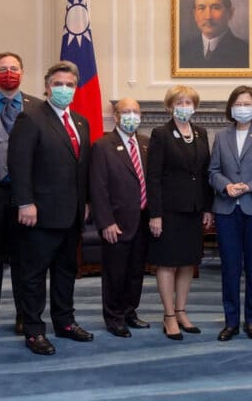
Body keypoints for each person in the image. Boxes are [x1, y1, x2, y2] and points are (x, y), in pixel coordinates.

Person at [8, 61, 93, 356]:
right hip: (39, 214)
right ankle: (34, 331)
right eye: (58, 84)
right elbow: (19, 165)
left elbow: (83, 168)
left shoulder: (81, 122)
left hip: (71, 214)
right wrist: (25, 202)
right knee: (33, 275)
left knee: (66, 272)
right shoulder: (30, 118)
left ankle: (65, 322)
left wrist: (86, 202)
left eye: (70, 85)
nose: (64, 89)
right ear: (46, 87)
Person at [0, 52, 43, 337]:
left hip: (25, 194)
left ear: (23, 72)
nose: (8, 72)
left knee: (23, 258)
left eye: (14, 68)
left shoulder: (38, 107)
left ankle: (24, 313)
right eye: (3, 69)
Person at [208, 86, 252, 341]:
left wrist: (249, 187)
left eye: (247, 103)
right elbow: (213, 171)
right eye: (238, 103)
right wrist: (225, 186)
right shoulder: (221, 136)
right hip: (227, 209)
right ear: (231, 107)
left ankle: (251, 320)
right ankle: (230, 322)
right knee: (229, 268)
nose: (243, 107)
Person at [145, 85, 214, 340]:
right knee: (168, 263)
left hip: (194, 210)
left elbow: (206, 173)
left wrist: (208, 207)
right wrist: (155, 214)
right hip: (168, 210)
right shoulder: (160, 134)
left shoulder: (201, 133)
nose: (184, 106)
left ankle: (182, 310)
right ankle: (169, 315)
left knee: (188, 262)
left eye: (189, 102)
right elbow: (153, 177)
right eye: (179, 102)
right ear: (169, 106)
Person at [89, 98, 153, 338]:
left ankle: (129, 311)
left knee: (136, 272)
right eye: (125, 111)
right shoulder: (103, 146)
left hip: (143, 221)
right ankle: (113, 317)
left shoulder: (147, 144)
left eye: (135, 112)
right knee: (115, 273)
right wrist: (105, 221)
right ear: (115, 116)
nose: (131, 116)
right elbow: (98, 187)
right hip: (115, 222)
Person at [178, 0, 250, 69]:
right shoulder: (183, 50)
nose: (208, 16)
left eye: (216, 8)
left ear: (230, 13)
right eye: (201, 8)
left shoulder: (245, 52)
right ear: (194, 14)